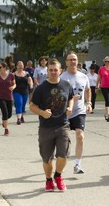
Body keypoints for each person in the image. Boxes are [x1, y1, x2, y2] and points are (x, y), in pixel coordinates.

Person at [29, 58, 74, 191]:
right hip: (46, 127)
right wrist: (42, 113)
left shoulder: (66, 85)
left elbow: (70, 98)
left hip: (62, 125)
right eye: (51, 70)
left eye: (56, 70)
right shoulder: (40, 88)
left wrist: (70, 107)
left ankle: (58, 176)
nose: (53, 72)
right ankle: (49, 180)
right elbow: (32, 106)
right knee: (47, 158)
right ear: (47, 71)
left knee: (63, 154)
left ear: (60, 71)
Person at [60, 51, 92, 174]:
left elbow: (88, 90)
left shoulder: (84, 76)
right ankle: (61, 162)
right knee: (64, 140)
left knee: (80, 135)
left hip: (79, 111)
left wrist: (88, 103)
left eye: (75, 59)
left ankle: (77, 165)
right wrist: (70, 98)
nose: (73, 62)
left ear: (78, 61)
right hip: (65, 112)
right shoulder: (62, 77)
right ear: (66, 62)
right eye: (70, 59)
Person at [0, 62, 16, 136]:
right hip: (0, 97)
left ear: (5, 68)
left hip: (9, 96)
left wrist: (13, 87)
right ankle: (6, 129)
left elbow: (14, 84)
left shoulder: (11, 75)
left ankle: (4, 121)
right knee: (5, 112)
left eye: (0, 67)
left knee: (9, 114)